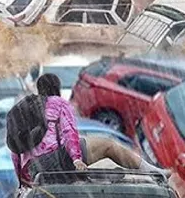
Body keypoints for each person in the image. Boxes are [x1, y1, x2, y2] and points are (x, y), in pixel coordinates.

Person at [10, 73, 166, 187]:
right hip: (56, 159)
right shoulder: (58, 103)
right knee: (107, 146)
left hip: (33, 170)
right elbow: (70, 133)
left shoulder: (21, 110)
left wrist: (22, 179)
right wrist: (76, 159)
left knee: (72, 172)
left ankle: (81, 180)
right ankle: (154, 172)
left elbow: (14, 147)